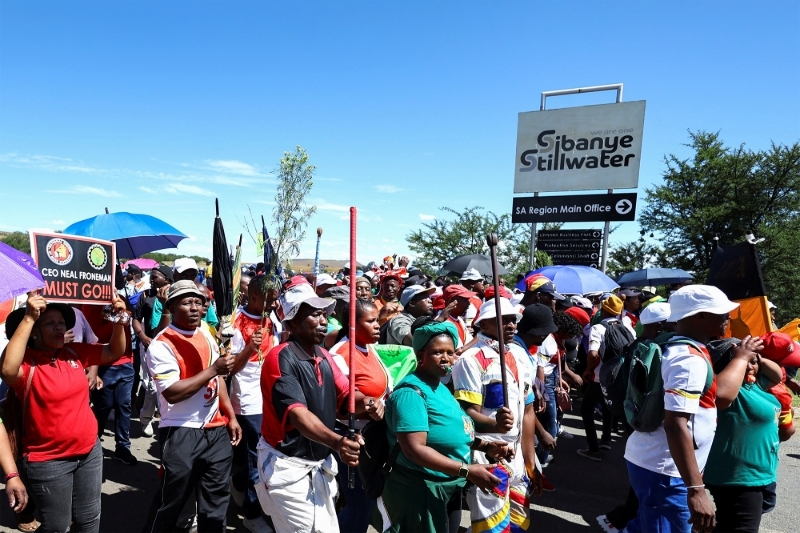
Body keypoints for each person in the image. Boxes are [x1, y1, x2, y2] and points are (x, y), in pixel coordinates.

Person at [1, 292, 127, 532]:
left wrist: (119, 321)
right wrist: (29, 318)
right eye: (49, 323)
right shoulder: (27, 363)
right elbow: (7, 370)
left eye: (61, 322)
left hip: (90, 451)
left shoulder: (74, 352)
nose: (59, 327)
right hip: (48, 460)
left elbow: (114, 351)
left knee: (89, 520)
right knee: (57, 527)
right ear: (34, 332)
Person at [374, 319, 510, 533]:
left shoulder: (440, 386)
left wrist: (485, 446)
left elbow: (448, 432)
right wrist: (467, 470)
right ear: (421, 356)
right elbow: (414, 449)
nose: (446, 358)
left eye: (451, 352)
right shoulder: (411, 393)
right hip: (420, 490)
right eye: (438, 352)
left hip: (449, 485)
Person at [624, 285, 739, 533]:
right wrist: (696, 489)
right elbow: (676, 424)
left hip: (657, 466)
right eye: (722, 313)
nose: (728, 318)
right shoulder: (688, 360)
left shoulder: (678, 347)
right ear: (700, 316)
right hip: (665, 472)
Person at [256, 282, 370, 533]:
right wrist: (338, 442)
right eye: (315, 314)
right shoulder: (280, 357)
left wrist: (370, 403)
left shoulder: (324, 355)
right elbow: (298, 415)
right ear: (293, 322)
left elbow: (346, 397)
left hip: (318, 464)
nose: (324, 321)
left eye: (325, 314)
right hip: (287, 466)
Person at [143, 280, 242, 532]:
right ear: (172, 306)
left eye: (199, 302)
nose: (195, 308)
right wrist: (212, 370)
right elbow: (173, 393)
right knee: (171, 502)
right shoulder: (161, 344)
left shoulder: (206, 334)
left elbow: (218, 379)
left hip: (216, 431)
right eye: (187, 302)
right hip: (181, 431)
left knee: (216, 503)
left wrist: (230, 415)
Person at [452, 298, 541, 532]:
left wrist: (530, 460)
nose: (511, 326)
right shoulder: (469, 360)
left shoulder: (521, 355)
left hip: (518, 455)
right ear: (484, 325)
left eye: (513, 320)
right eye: (503, 321)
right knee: (492, 525)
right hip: (488, 454)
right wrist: (495, 425)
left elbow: (528, 410)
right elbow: (467, 414)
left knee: (519, 521)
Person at [704, 335, 789, 533]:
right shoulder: (731, 390)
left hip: (760, 473)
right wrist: (741, 358)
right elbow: (721, 395)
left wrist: (754, 357)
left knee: (732, 522)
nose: (750, 367)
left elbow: (777, 375)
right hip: (738, 477)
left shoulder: (755, 385)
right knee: (742, 528)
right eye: (745, 362)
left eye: (754, 362)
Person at [329, 298, 389, 532]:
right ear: (353, 326)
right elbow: (342, 397)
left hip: (373, 435)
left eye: (378, 321)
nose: (377, 326)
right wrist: (369, 403)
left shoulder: (369, 348)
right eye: (371, 321)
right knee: (359, 505)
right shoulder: (340, 354)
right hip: (353, 436)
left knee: (367, 501)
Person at [229, 275, 280, 533]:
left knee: (257, 456)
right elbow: (231, 368)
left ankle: (238, 484)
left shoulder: (270, 319)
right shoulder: (236, 323)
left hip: (267, 398)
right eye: (270, 299)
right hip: (248, 402)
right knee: (256, 459)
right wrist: (250, 346)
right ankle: (250, 513)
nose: (273, 304)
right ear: (255, 296)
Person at [82, 301, 138, 465]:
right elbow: (93, 336)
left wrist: (122, 315)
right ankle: (93, 444)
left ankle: (123, 447)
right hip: (104, 363)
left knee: (124, 406)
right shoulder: (92, 303)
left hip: (126, 362)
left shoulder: (119, 298)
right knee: (103, 406)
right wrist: (117, 321)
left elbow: (128, 328)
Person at [577, 295, 624, 461]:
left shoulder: (598, 328)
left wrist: (589, 370)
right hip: (618, 377)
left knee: (586, 409)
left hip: (599, 377)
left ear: (603, 310)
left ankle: (593, 448)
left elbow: (593, 353)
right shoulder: (627, 328)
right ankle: (606, 440)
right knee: (608, 406)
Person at [133, 265, 173, 438]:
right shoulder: (145, 296)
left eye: (155, 277)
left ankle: (167, 419)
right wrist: (142, 336)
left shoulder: (174, 298)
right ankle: (146, 419)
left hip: (170, 346)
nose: (151, 279)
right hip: (149, 344)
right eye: (151, 276)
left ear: (167, 280)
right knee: (151, 386)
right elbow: (136, 319)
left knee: (168, 385)